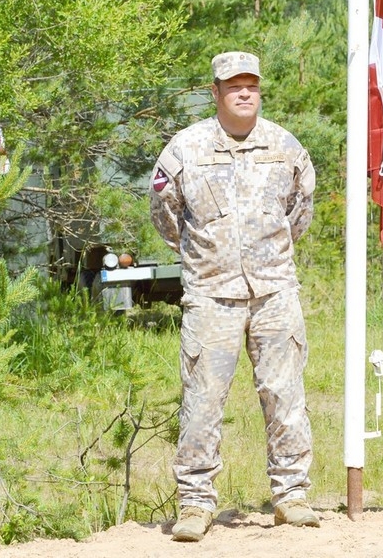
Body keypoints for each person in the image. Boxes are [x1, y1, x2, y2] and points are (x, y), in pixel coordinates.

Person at [149, 50, 320, 541]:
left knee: (285, 395)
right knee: (202, 401)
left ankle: (291, 496)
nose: (245, 93)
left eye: (252, 85)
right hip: (211, 295)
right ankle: (195, 504)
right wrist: (205, 257)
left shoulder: (286, 148)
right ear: (216, 92)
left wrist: (266, 257)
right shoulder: (185, 148)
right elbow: (165, 213)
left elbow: (299, 212)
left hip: (274, 293)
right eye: (234, 85)